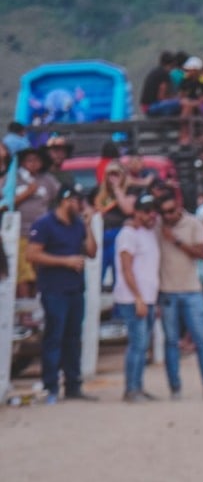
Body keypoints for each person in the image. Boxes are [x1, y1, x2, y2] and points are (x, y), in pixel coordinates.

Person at [25, 184, 98, 403]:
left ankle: (73, 385)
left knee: (73, 338)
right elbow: (32, 254)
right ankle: (51, 386)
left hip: (75, 288)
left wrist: (88, 226)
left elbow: (92, 252)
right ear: (66, 200)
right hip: (54, 288)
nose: (80, 205)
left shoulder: (77, 224)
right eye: (76, 200)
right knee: (54, 337)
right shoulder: (45, 224)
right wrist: (64, 261)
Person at [156, 192, 203, 402]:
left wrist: (176, 241)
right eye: (163, 212)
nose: (168, 216)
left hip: (191, 290)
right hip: (167, 291)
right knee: (171, 342)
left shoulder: (193, 224)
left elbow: (202, 253)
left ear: (179, 207)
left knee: (201, 340)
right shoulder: (157, 226)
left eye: (171, 211)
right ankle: (175, 388)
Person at [113, 193, 161, 403]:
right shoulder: (128, 234)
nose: (151, 215)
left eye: (153, 211)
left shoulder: (147, 232)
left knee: (143, 345)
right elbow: (126, 268)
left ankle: (138, 387)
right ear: (137, 212)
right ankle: (131, 389)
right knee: (137, 344)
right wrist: (138, 298)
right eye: (146, 211)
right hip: (133, 298)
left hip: (147, 297)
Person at [15, 147, 60, 298]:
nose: (33, 164)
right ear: (22, 162)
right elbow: (6, 203)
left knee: (38, 272)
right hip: (21, 232)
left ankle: (35, 307)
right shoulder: (14, 179)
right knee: (23, 272)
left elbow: (60, 197)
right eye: (29, 160)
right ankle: (24, 313)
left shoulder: (47, 180)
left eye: (37, 160)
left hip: (43, 234)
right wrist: (28, 192)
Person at [94, 161, 136, 289]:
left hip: (119, 235)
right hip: (102, 236)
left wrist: (117, 189)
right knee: (97, 272)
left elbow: (128, 209)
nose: (113, 177)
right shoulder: (101, 193)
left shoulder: (129, 191)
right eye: (110, 174)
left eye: (116, 174)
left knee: (118, 272)